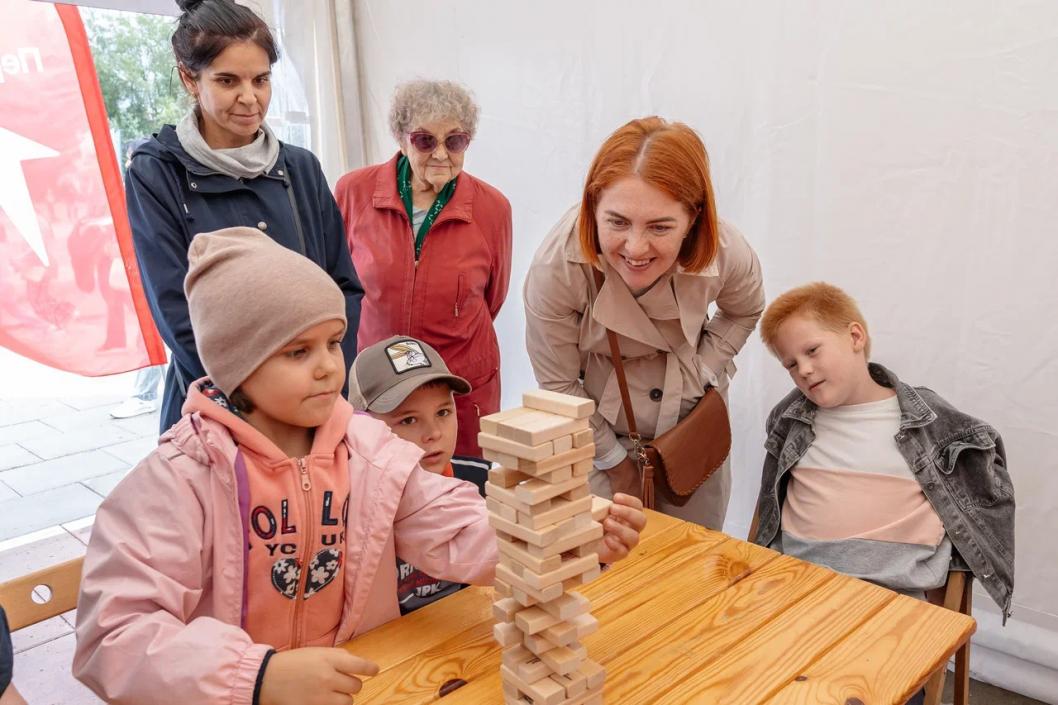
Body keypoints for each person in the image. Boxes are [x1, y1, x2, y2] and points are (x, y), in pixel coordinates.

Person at [72, 227, 492, 705]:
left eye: (333, 342)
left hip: (359, 687)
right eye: (298, 351)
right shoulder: (179, 479)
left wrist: (546, 536)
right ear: (238, 366)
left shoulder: (368, 451)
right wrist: (255, 677)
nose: (328, 367)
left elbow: (450, 523)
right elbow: (114, 635)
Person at [126, 0, 363, 435]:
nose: (249, 98)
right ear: (188, 78)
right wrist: (260, 400)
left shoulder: (301, 168)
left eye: (261, 79)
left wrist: (324, 377)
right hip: (219, 407)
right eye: (227, 80)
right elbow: (176, 312)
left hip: (313, 407)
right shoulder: (156, 171)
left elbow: (342, 286)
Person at [524, 117, 765, 529]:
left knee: (694, 565)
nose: (635, 248)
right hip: (598, 435)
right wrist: (615, 463)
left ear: (693, 218)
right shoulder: (557, 267)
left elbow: (745, 310)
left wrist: (702, 370)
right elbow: (559, 384)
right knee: (606, 571)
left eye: (660, 227)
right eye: (617, 222)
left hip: (691, 437)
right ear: (592, 206)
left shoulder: (725, 250)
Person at [751, 282, 1014, 617]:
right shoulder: (791, 421)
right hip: (797, 585)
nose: (803, 369)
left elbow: (981, 486)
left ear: (855, 338)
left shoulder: (932, 425)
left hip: (892, 599)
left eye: (813, 350)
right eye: (791, 364)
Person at [348, 335, 647, 614]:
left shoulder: (482, 479)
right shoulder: (349, 504)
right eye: (408, 420)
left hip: (464, 635)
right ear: (364, 429)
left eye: (443, 412)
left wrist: (584, 545)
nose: (433, 433)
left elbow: (509, 551)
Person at [334, 80, 511, 458]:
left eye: (455, 141)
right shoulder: (353, 192)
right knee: (381, 488)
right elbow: (338, 283)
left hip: (459, 385)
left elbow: (492, 297)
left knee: (459, 491)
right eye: (425, 140)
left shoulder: (493, 208)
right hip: (381, 384)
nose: (441, 153)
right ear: (400, 139)